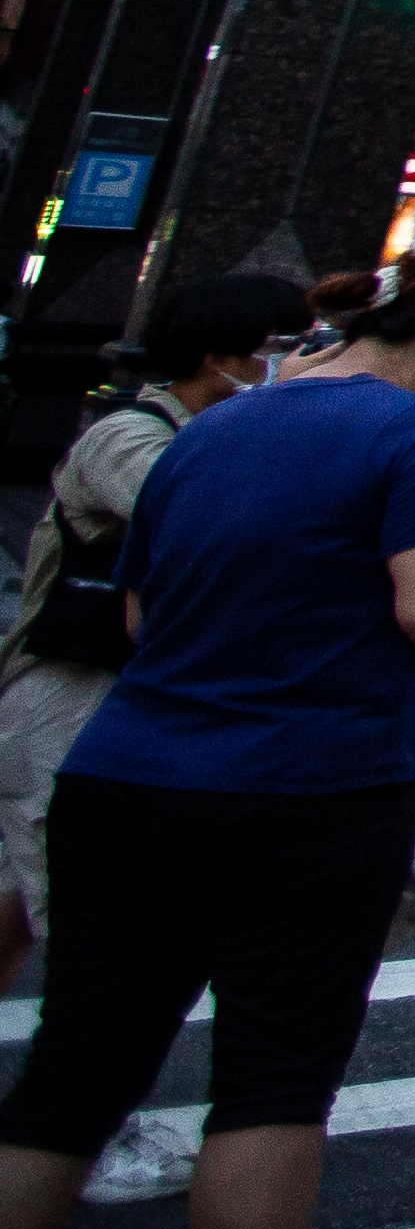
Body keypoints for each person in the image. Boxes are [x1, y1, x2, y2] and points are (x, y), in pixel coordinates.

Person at [0, 257, 415, 1229]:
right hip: (307, 787)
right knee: (272, 1079)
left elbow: (142, 614)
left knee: (73, 1075)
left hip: (126, 772)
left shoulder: (210, 431)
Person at [0, 271, 291, 1007]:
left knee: (26, 895)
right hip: (70, 684)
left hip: (133, 688)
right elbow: (215, 523)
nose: (290, 362)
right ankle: (81, 1070)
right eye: (278, 346)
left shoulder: (218, 436)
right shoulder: (130, 436)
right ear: (217, 357)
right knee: (78, 908)